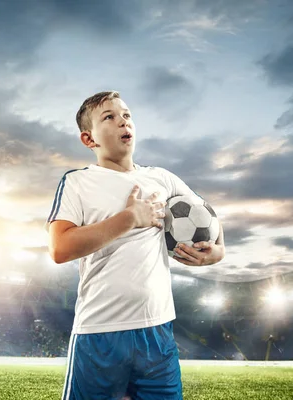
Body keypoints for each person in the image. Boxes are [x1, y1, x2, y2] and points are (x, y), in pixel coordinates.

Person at [46, 91, 225, 400]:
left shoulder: (162, 179)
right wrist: (130, 217)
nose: (122, 122)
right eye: (109, 117)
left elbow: (210, 221)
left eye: (126, 115)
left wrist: (216, 253)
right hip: (100, 331)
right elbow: (60, 248)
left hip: (157, 332)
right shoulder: (78, 182)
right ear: (89, 140)